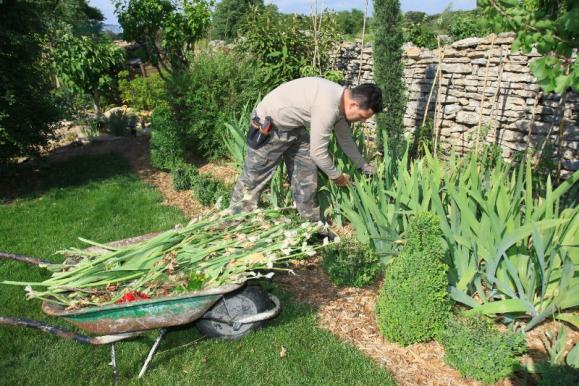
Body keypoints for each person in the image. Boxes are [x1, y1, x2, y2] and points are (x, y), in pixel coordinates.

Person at [230, 77, 382, 222]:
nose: (362, 121)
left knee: (306, 172)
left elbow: (346, 140)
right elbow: (318, 153)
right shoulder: (328, 106)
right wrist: (337, 177)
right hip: (271, 125)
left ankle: (310, 222)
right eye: (362, 116)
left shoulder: (341, 101)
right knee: (254, 178)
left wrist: (364, 166)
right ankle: (235, 220)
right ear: (353, 105)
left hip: (293, 126)